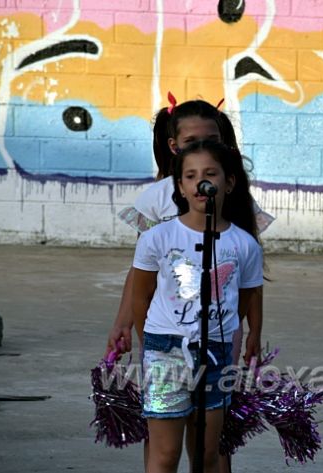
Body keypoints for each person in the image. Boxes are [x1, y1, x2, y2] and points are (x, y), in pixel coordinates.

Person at [133, 140, 264, 473]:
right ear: (180, 186)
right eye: (190, 176)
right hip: (166, 349)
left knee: (207, 454)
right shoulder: (158, 237)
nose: (200, 183)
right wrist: (146, 345)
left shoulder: (244, 243)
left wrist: (249, 337)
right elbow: (141, 295)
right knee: (164, 454)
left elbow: (247, 297)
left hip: (216, 352)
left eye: (210, 174)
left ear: (229, 182)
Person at [108, 96, 273, 361]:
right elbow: (141, 271)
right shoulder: (156, 198)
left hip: (222, 331)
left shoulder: (237, 198)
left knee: (217, 397)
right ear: (174, 146)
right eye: (191, 142)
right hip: (167, 329)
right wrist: (123, 323)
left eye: (212, 140)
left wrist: (253, 329)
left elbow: (249, 276)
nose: (203, 148)